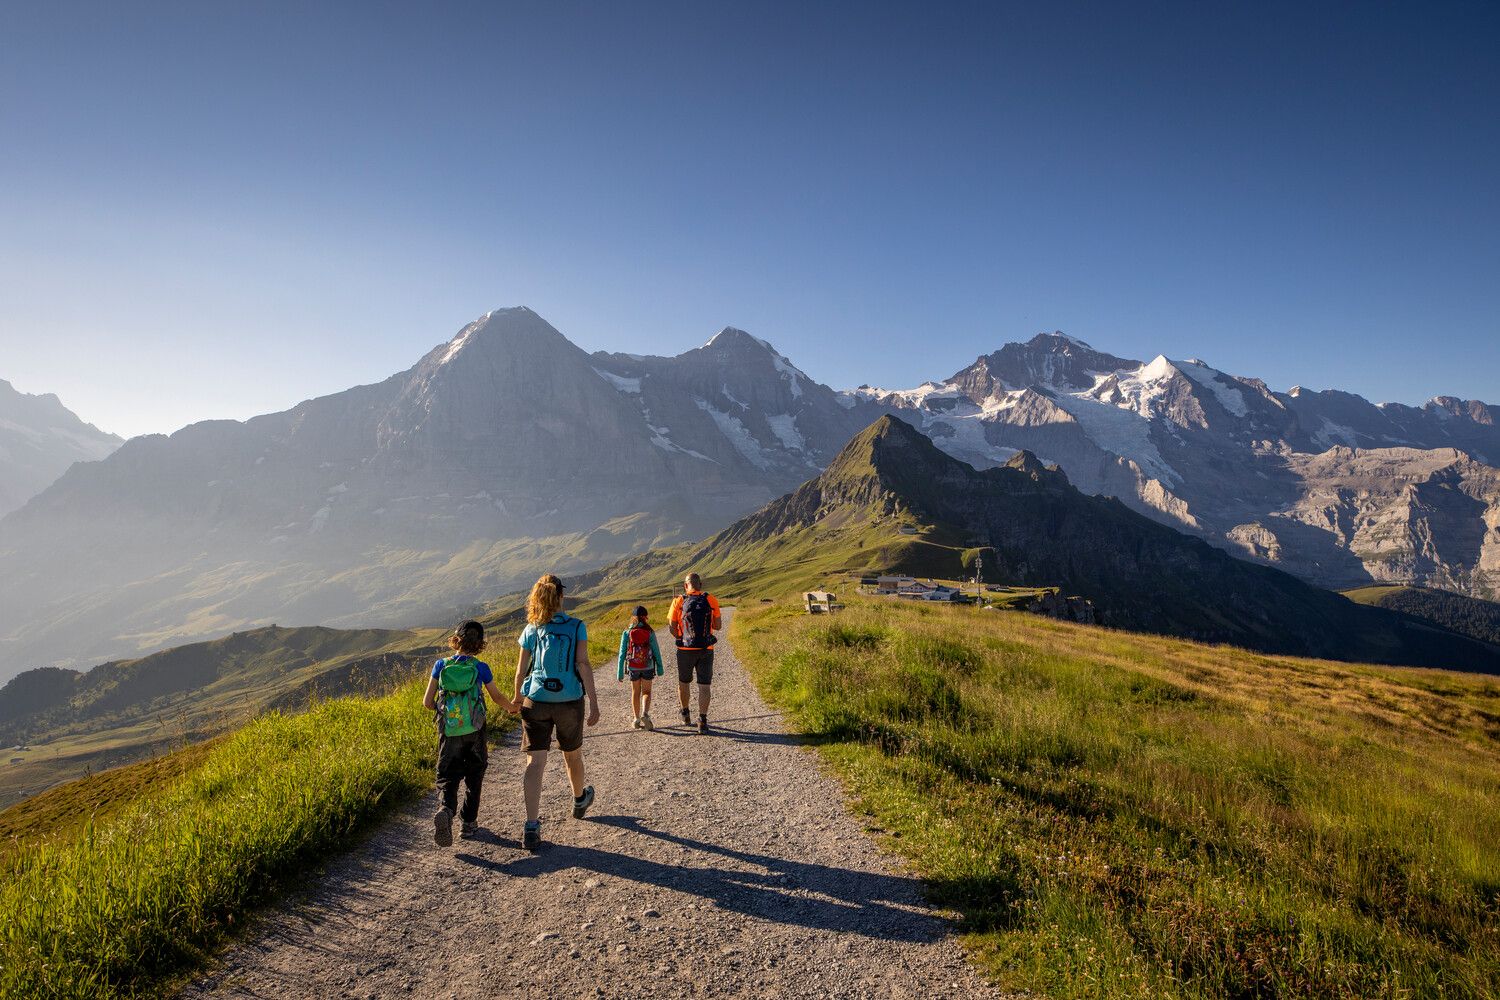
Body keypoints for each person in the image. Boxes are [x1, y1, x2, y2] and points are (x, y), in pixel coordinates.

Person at [513, 573, 600, 850]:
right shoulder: (577, 626)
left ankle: (531, 825)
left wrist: (517, 698)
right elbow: (583, 664)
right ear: (561, 595)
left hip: (536, 701)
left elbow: (520, 671)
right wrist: (594, 702)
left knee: (534, 763)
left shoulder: (531, 628)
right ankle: (579, 799)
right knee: (572, 755)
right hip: (569, 700)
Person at [422, 619, 512, 847]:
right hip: (475, 730)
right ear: (479, 643)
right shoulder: (480, 668)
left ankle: (446, 809)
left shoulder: (440, 665)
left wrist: (446, 712)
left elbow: (427, 702)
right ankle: (468, 823)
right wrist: (512, 707)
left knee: (447, 775)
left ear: (456, 640)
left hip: (449, 731)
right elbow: (496, 697)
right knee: (475, 775)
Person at [668, 572, 722, 734]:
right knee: (704, 686)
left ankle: (685, 713)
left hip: (685, 650)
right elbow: (718, 626)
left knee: (684, 682)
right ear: (700, 585)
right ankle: (702, 720)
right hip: (706, 649)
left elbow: (671, 627)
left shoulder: (678, 601)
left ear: (686, 586)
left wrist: (682, 638)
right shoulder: (710, 599)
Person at [616, 605, 664, 730]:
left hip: (633, 667)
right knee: (646, 692)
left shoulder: (627, 632)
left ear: (633, 618)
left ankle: (636, 719)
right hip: (648, 666)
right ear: (645, 617)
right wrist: (660, 668)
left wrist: (619, 672)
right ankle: (645, 714)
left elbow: (622, 653)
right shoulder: (650, 632)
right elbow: (656, 651)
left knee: (635, 692)